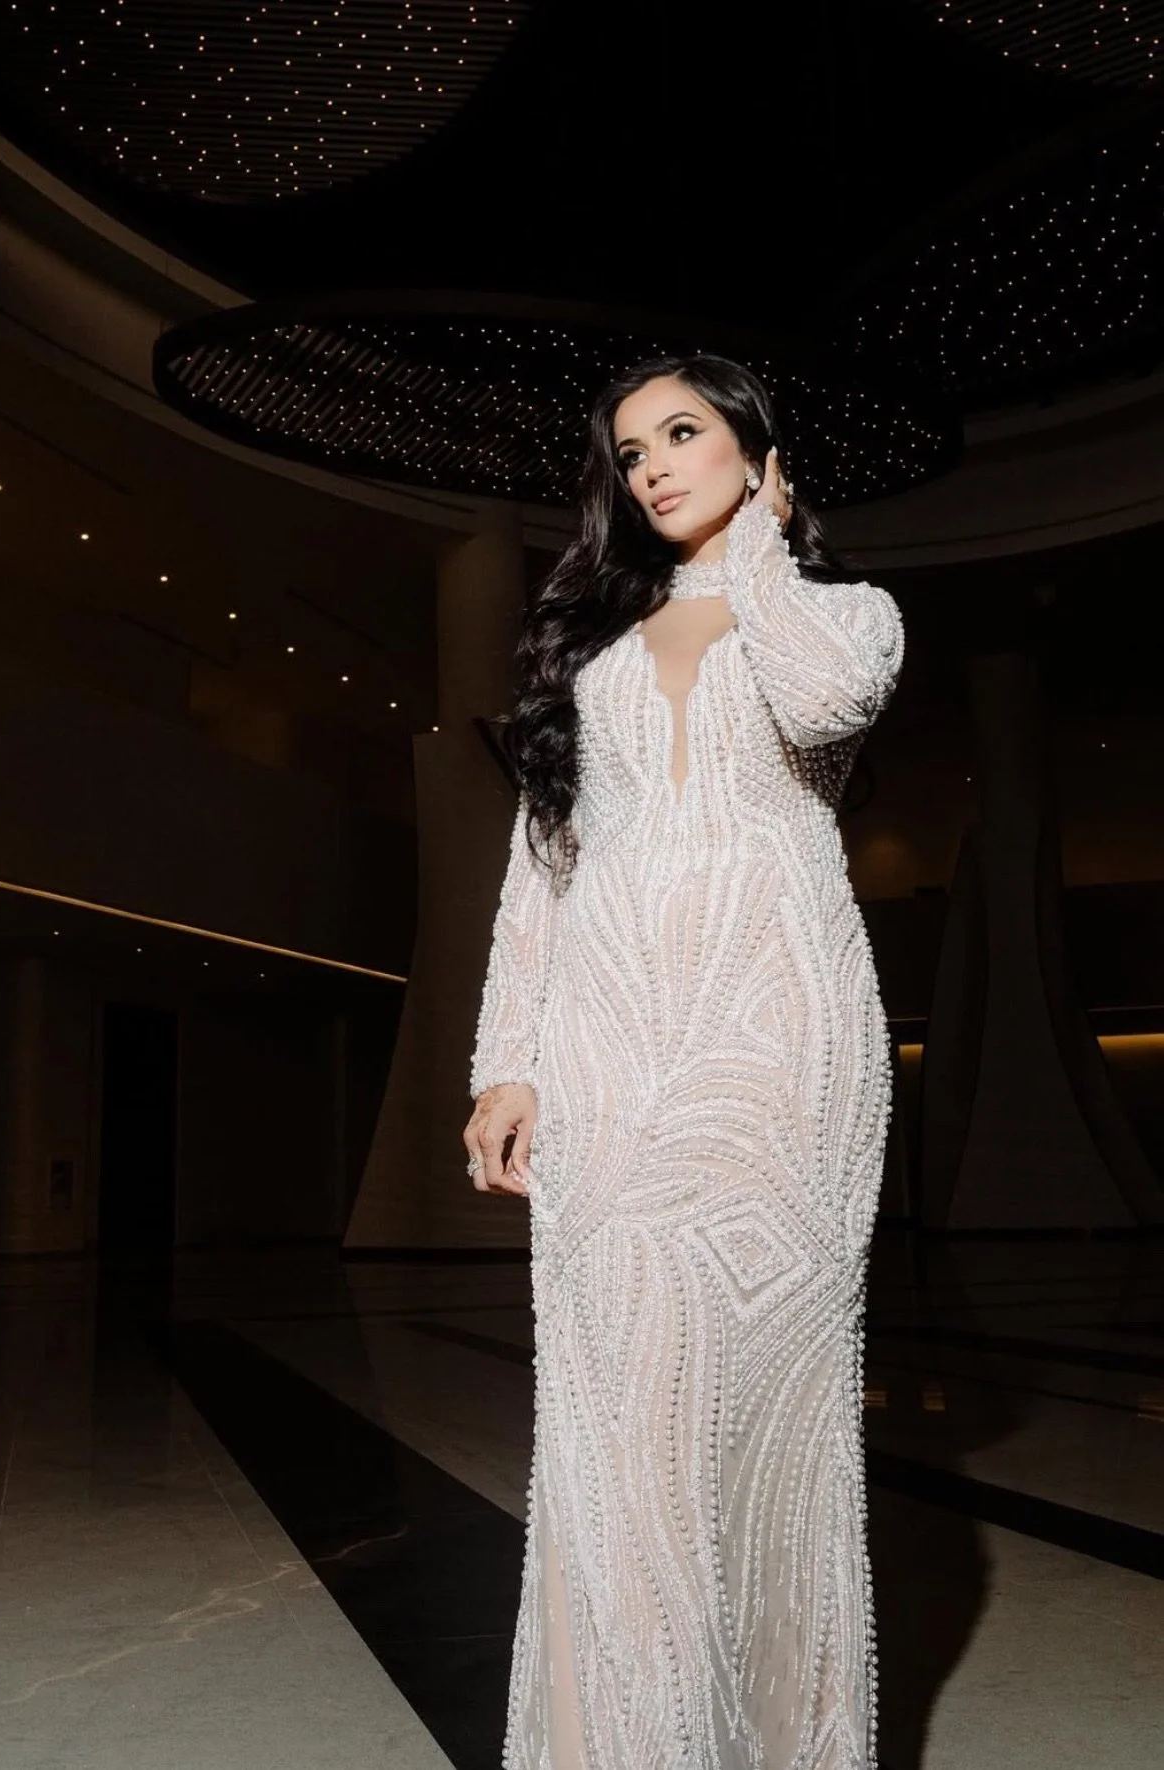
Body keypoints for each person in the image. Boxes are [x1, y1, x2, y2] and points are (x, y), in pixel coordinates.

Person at [462, 352, 904, 1770]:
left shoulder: (843, 615)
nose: (650, 463)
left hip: (781, 1047)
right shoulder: (587, 660)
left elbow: (824, 703)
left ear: (755, 447)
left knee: (772, 1427)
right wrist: (504, 1061)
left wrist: (764, 547)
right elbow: (544, 871)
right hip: (610, 1050)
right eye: (628, 448)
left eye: (682, 431)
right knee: (618, 1424)